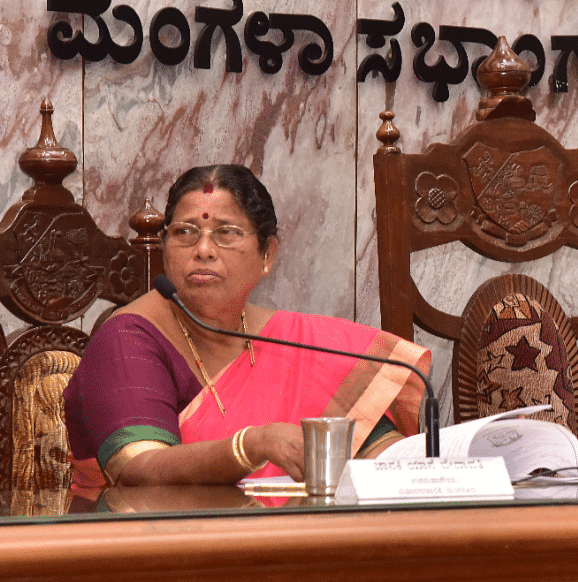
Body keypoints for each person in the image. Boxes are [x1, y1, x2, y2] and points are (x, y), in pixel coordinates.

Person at [64, 164, 431, 488]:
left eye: (226, 233)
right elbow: (138, 469)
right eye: (185, 233)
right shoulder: (127, 339)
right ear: (165, 247)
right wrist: (252, 444)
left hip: (285, 545)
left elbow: (368, 443)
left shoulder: (296, 341)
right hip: (145, 548)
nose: (203, 249)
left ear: (267, 254)